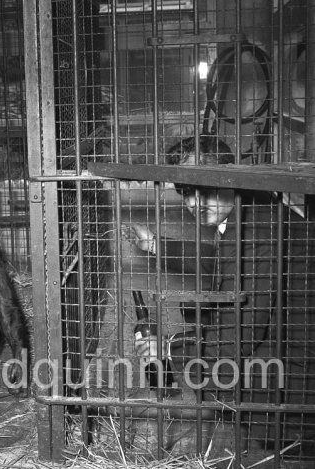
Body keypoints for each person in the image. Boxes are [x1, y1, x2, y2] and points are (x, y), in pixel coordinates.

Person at [131, 135, 315, 453]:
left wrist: (169, 350)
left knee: (211, 369)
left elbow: (235, 338)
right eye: (186, 192)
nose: (193, 204)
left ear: (227, 174)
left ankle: (285, 438)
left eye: (204, 188)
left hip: (301, 380)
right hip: (293, 346)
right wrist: (156, 244)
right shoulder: (254, 207)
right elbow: (220, 259)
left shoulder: (255, 227)